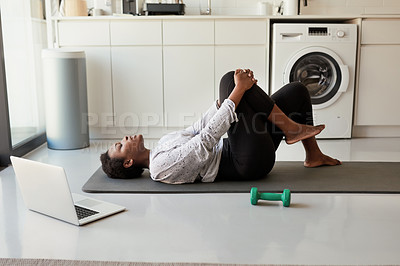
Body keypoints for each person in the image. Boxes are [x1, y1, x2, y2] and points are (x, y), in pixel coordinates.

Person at [100, 69, 341, 184]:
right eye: (120, 145)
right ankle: (290, 129)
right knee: (230, 81)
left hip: (245, 147)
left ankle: (313, 154)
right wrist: (236, 91)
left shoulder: (163, 144)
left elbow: (198, 127)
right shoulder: (160, 168)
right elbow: (206, 140)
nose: (125, 138)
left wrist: (222, 102)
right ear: (128, 162)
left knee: (296, 90)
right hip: (245, 163)